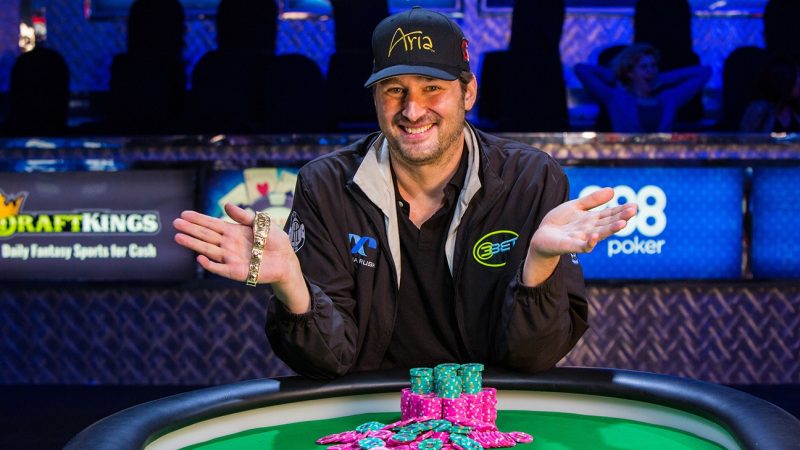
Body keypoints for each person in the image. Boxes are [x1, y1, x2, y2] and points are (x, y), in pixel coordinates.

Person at [174, 7, 637, 379]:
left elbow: (532, 358)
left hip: (490, 415)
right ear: (375, 98)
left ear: (468, 93)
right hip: (367, 419)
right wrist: (292, 285)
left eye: (432, 88)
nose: (412, 110)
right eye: (394, 90)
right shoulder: (324, 185)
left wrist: (538, 263)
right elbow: (328, 362)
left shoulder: (531, 178)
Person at [575, 43, 711, 133]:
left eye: (653, 66)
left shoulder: (669, 98)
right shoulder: (616, 98)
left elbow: (704, 72)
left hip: (661, 163)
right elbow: (581, 69)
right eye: (644, 67)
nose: (650, 71)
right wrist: (617, 75)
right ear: (630, 72)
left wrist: (663, 78)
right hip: (628, 162)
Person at [740, 56, 800, 133]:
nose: (799, 82)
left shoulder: (795, 110)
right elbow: (745, 138)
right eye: (797, 77)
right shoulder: (759, 109)